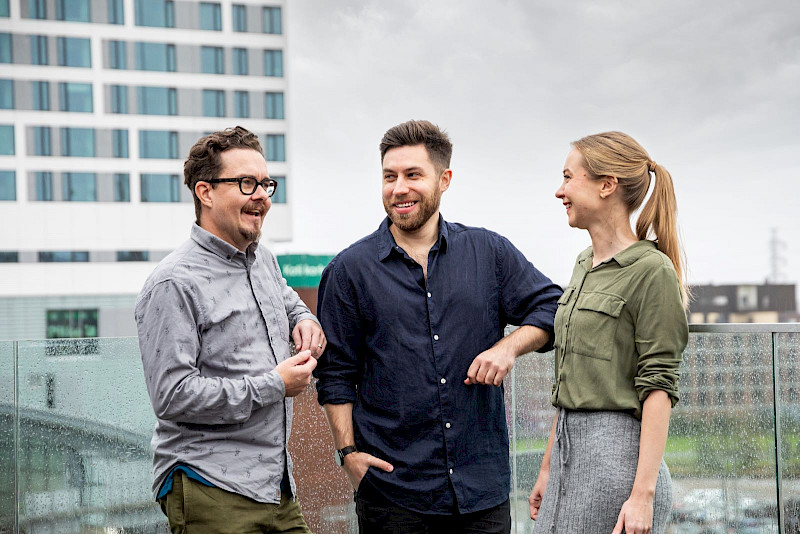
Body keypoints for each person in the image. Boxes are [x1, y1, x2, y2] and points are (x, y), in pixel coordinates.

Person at [314, 119, 562, 533]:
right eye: (389, 177)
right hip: (392, 495)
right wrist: (348, 454)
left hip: (482, 493)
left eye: (413, 175)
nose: (399, 188)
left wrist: (508, 347)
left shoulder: (489, 252)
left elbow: (554, 307)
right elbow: (335, 373)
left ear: (444, 180)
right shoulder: (348, 271)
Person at [136, 126, 326, 534]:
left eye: (265, 184)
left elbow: (286, 298)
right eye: (246, 183)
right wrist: (274, 385)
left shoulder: (263, 259)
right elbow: (172, 395)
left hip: (276, 486)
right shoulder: (173, 283)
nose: (262, 196)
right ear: (205, 192)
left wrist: (304, 319)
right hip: (211, 486)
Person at [528, 131, 689, 534]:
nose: (559, 191)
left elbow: (659, 386)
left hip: (615, 468)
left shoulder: (652, 270)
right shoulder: (584, 263)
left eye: (568, 177)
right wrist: (547, 468)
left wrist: (643, 497)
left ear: (607, 185)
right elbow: (571, 377)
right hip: (566, 459)